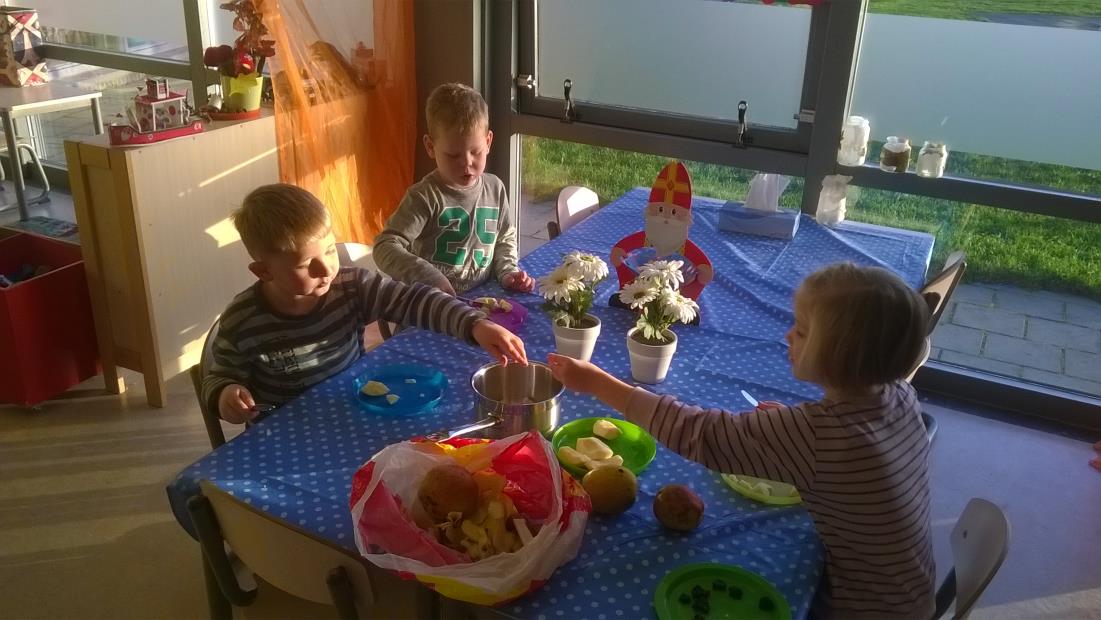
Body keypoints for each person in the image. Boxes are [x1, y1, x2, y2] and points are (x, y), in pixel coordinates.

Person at [547, 263, 935, 619]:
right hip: (909, 595)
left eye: (800, 330)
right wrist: (786, 426)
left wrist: (597, 382)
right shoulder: (897, 394)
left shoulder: (822, 435)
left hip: (861, 608)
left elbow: (697, 432)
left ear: (839, 356)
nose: (788, 335)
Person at [202, 183, 527, 424]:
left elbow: (414, 300)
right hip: (282, 432)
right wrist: (225, 395)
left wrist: (475, 324)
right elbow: (218, 377)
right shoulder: (242, 320)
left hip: (351, 412)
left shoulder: (352, 286)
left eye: (329, 250)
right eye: (305, 265)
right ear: (263, 271)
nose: (326, 268)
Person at [373, 82, 534, 296]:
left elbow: (504, 238)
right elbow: (384, 246)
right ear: (431, 147)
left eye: (475, 152)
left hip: (481, 301)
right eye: (453, 155)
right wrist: (429, 277)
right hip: (431, 308)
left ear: (488, 142)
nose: (466, 163)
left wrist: (508, 272)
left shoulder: (495, 188)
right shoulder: (424, 197)